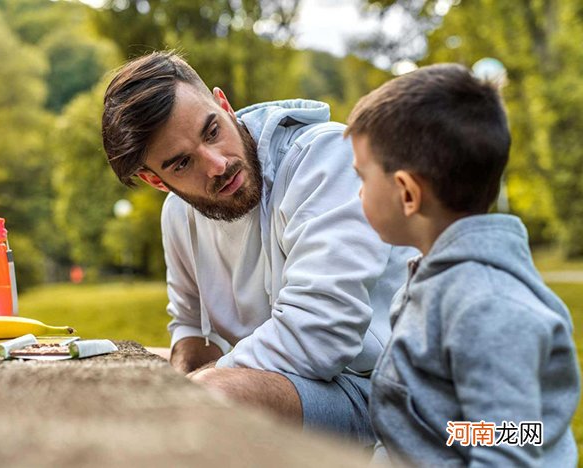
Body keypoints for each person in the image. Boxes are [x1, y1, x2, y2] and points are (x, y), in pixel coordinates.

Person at [101, 51, 412, 442]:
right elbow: (189, 328)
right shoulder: (177, 216)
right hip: (299, 385)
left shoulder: (324, 158)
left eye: (212, 131)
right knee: (128, 367)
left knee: (212, 397)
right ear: (156, 181)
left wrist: (204, 382)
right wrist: (188, 365)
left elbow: (322, 333)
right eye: (182, 164)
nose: (216, 165)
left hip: (391, 393)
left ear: (224, 105)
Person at [346, 63, 580, 467]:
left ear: (407, 193)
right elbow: (463, 424)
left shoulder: (486, 306)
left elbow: (511, 446)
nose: (359, 194)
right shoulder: (437, 279)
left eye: (362, 179)